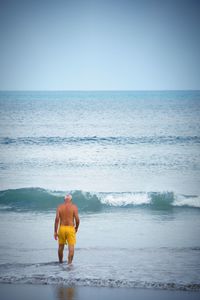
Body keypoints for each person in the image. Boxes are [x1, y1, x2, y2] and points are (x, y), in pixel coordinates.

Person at [54, 194, 80, 264]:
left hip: (62, 228)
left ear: (64, 200)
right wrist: (76, 228)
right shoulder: (74, 207)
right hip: (70, 228)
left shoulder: (59, 207)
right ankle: (69, 263)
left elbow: (56, 220)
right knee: (71, 247)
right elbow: (77, 220)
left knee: (60, 247)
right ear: (71, 200)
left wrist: (55, 232)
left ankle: (60, 262)